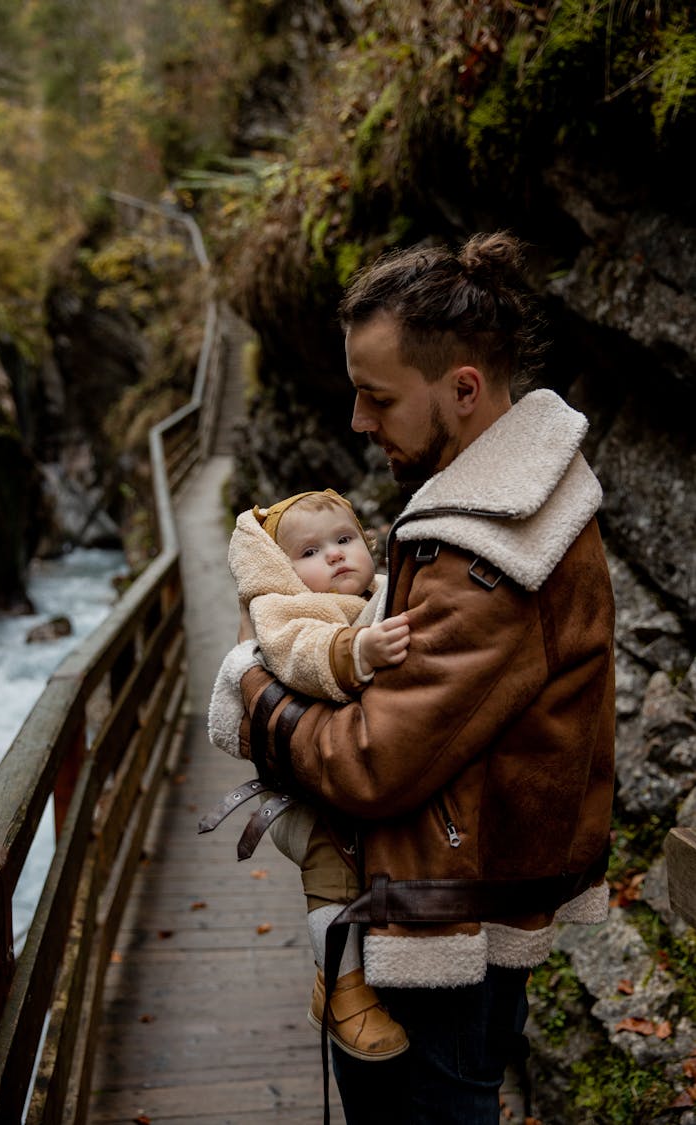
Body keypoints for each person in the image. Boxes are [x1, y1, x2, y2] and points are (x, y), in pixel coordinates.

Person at [231, 230, 616, 1125]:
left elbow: (373, 761)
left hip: (441, 927)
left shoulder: (491, 556)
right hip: (456, 892)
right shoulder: (523, 489)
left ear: (464, 390)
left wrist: (254, 692)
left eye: (378, 399)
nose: (359, 422)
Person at [207, 487, 411, 1061]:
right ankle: (339, 983)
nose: (335, 556)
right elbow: (297, 651)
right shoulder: (283, 609)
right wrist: (356, 653)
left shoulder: (382, 593)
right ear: (282, 570)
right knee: (331, 865)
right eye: (311, 552)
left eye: (345, 541)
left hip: (359, 774)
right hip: (303, 794)